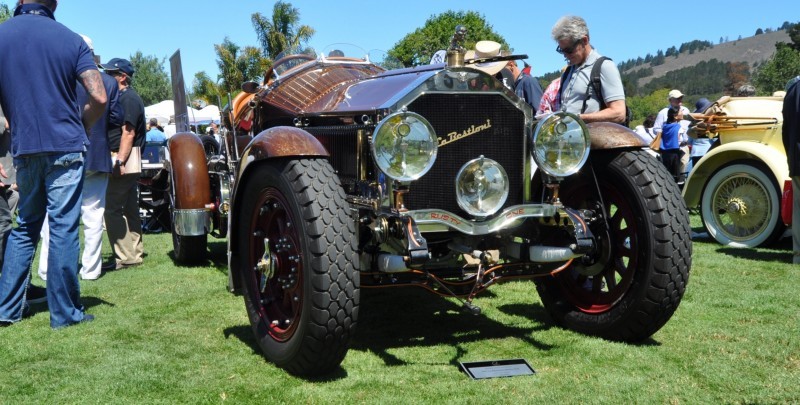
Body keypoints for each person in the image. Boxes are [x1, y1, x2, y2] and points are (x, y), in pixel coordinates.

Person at [0, 0, 107, 328]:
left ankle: (6, 309)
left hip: (24, 148)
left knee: (26, 225)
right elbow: (100, 96)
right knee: (62, 226)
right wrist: (84, 124)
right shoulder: (70, 38)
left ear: (20, 2)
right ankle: (64, 314)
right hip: (65, 145)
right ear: (54, 3)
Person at [38, 35, 124, 282]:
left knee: (54, 212)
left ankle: (46, 268)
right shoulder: (108, 82)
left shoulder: (60, 77)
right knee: (94, 214)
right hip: (96, 154)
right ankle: (91, 269)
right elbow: (116, 119)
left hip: (64, 150)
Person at [101, 58, 145, 271]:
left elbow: (128, 132)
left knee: (111, 209)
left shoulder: (127, 98)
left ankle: (125, 257)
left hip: (124, 158)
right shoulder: (126, 97)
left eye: (110, 74)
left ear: (122, 77)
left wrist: (119, 160)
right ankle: (133, 254)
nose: (106, 77)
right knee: (128, 208)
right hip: (128, 158)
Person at [551, 15, 627, 123]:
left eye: (568, 50)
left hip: (597, 138)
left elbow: (619, 113)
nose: (565, 55)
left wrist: (578, 118)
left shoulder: (605, 66)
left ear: (584, 40)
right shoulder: (568, 72)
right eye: (561, 50)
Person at [653, 90, 692, 180]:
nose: (680, 100)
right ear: (670, 100)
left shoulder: (686, 110)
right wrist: (668, 133)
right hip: (669, 149)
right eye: (677, 98)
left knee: (683, 170)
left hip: (683, 146)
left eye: (681, 97)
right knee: (669, 173)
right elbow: (656, 129)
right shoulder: (663, 112)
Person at [782, 75, 800, 264]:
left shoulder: (792, 91)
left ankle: (798, 256)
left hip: (796, 158)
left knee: (799, 209)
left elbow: (785, 131)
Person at [689, 98, 715, 168]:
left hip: (695, 153)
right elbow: (714, 139)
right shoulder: (711, 123)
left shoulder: (693, 123)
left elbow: (690, 140)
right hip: (708, 151)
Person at [659, 108, 684, 183]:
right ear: (675, 116)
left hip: (664, 153)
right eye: (681, 112)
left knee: (666, 173)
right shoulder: (678, 127)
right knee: (675, 175)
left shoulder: (664, 126)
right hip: (674, 153)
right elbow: (681, 140)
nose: (682, 113)